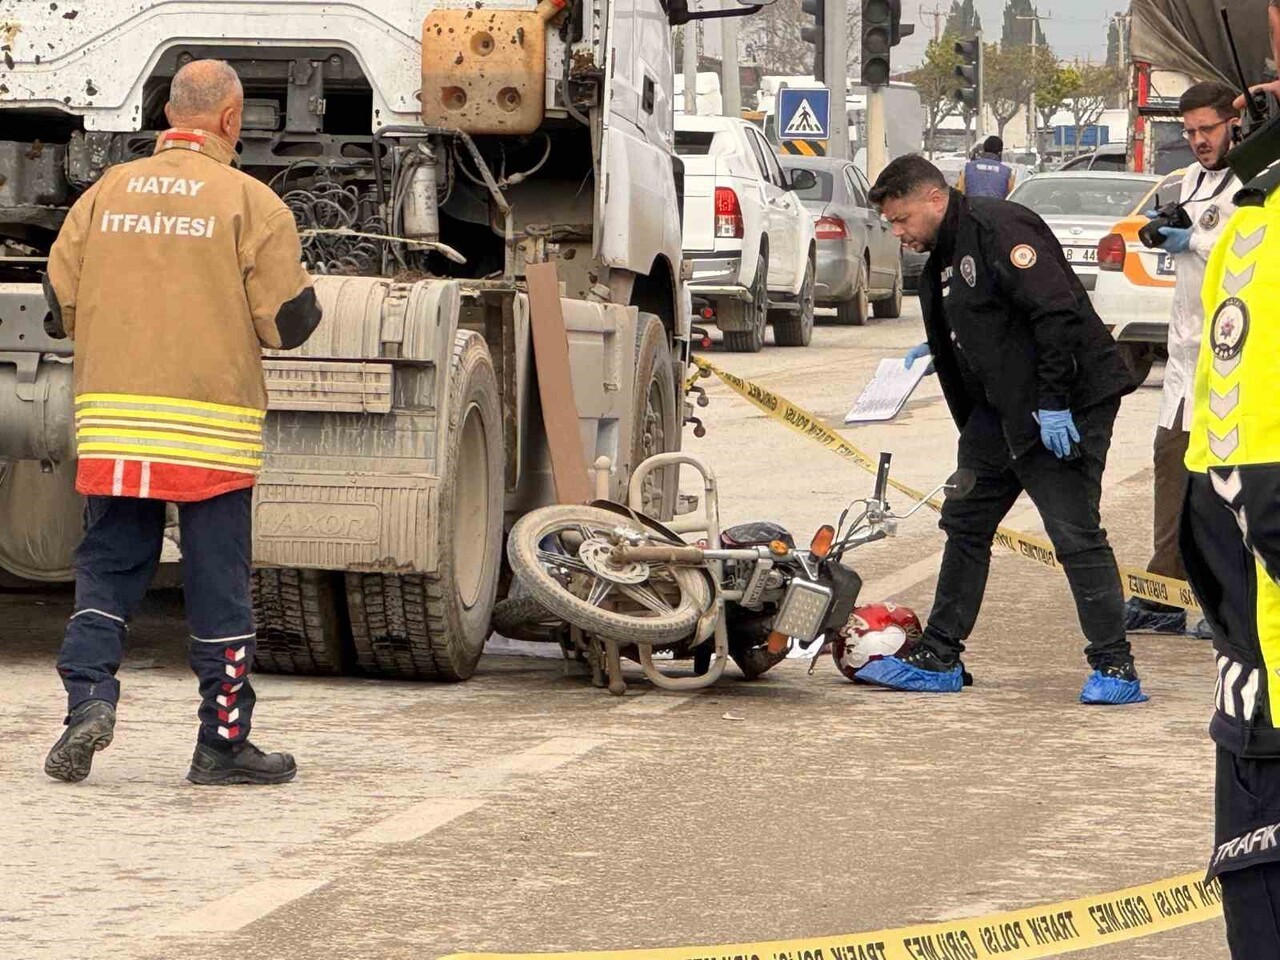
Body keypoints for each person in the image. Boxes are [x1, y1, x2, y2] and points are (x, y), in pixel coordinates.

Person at [40, 60, 322, 785]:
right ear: (230, 120)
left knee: (107, 571)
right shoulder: (253, 203)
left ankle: (87, 703)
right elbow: (287, 323)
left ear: (168, 115)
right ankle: (221, 744)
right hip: (208, 432)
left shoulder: (104, 193)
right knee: (217, 585)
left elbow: (59, 303)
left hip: (115, 423)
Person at [862, 155, 1146, 704]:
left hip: (1063, 402)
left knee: (1074, 532)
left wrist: (1055, 403)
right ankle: (940, 655)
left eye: (901, 219)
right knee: (965, 521)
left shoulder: (999, 227)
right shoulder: (942, 255)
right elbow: (985, 318)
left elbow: (1056, 313)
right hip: (1001, 410)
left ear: (934, 199)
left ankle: (1116, 667)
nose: (898, 233)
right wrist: (947, 350)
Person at [1124, 82, 1241, 638]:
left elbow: (1253, 251)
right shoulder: (1189, 181)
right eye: (1190, 131)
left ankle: (1230, 606)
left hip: (1234, 359)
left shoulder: (1256, 184)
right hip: (1184, 359)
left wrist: (1192, 241)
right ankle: (1162, 596)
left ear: (1233, 124)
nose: (1199, 140)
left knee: (1227, 487)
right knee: (1171, 468)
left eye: (1208, 129)